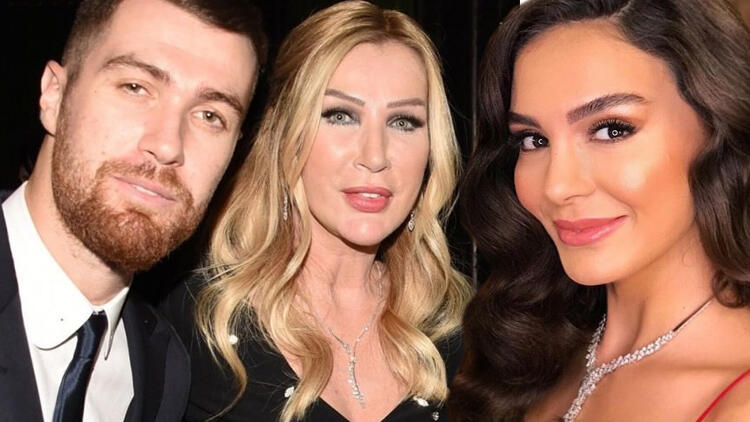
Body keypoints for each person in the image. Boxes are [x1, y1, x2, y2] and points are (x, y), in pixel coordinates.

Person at [161, 1, 472, 421]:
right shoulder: (196, 320)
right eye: (340, 115)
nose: (375, 156)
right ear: (286, 135)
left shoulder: (458, 329)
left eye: (403, 122)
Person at [450, 0, 750, 421]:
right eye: (534, 140)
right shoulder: (520, 358)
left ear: (718, 127)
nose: (558, 186)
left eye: (611, 130)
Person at [0, 0, 266, 421]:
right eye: (136, 88)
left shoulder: (165, 371)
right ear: (54, 95)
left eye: (210, 115)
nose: (168, 144)